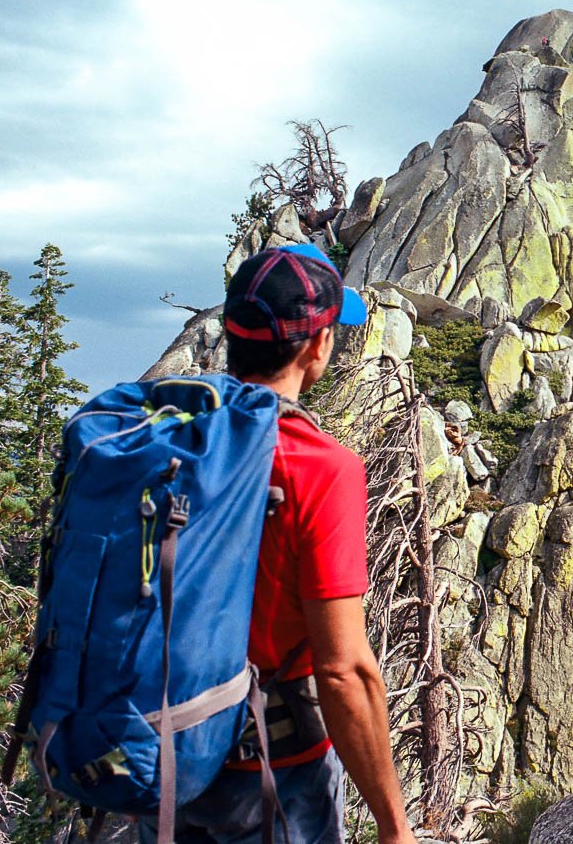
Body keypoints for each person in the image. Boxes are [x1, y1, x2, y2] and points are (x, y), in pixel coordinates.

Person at [139, 243, 418, 844]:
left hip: (159, 752)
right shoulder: (320, 467)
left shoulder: (165, 438)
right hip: (271, 774)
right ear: (318, 347)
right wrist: (395, 825)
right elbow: (343, 670)